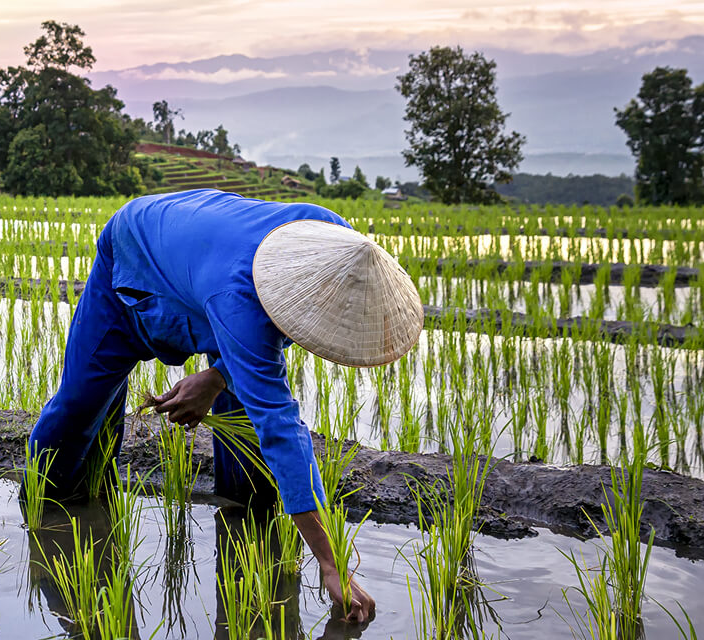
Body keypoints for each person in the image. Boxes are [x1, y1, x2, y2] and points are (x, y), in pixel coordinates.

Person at [27, 188, 422, 623]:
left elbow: (271, 336)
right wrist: (332, 564)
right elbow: (281, 429)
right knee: (80, 406)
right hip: (138, 248)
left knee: (247, 432)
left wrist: (214, 378)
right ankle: (49, 506)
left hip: (211, 267)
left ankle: (245, 511)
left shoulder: (333, 241)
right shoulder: (237, 301)